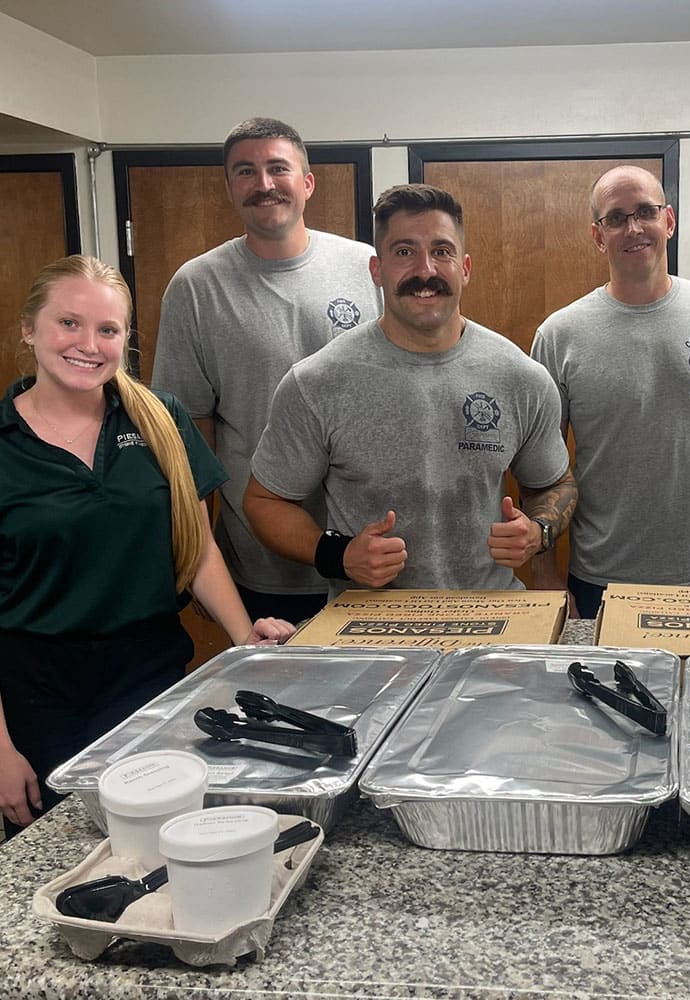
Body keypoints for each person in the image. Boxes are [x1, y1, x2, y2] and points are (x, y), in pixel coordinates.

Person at [0, 256, 295, 836]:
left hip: (153, 682)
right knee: (56, 859)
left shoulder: (161, 418)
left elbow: (197, 543)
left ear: (125, 340)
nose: (89, 344)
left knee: (168, 840)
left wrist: (242, 638)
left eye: (108, 330)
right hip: (36, 696)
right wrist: (1, 748)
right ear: (29, 330)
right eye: (68, 323)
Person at [243, 184, 576, 594]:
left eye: (442, 251)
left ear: (465, 267)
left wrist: (538, 530)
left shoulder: (520, 377)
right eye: (404, 252)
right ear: (376, 270)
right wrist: (339, 554)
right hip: (370, 629)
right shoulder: (317, 382)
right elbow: (264, 502)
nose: (426, 271)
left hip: (490, 618)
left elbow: (556, 484)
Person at [152, 117, 381, 623]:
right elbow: (186, 436)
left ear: (307, 182)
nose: (264, 184)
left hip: (373, 555)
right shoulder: (196, 287)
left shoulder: (366, 266)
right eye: (245, 172)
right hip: (261, 565)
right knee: (274, 701)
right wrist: (198, 553)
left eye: (278, 168)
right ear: (229, 186)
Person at [530, 165, 690, 618]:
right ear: (597, 235)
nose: (633, 228)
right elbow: (540, 467)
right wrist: (545, 574)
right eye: (616, 217)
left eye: (645, 212)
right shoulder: (560, 334)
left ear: (668, 221)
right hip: (602, 578)